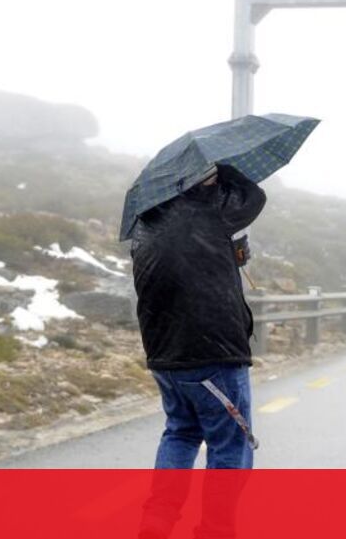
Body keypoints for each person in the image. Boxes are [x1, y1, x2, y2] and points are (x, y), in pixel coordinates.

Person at [130, 163, 266, 469]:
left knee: (181, 432)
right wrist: (227, 168)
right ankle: (216, 521)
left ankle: (158, 518)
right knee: (230, 442)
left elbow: (187, 264)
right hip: (212, 353)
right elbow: (254, 196)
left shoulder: (146, 224)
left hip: (165, 356)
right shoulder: (209, 212)